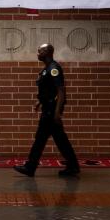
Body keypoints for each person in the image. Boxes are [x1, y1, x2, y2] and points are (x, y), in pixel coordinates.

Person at [14, 44, 81, 178]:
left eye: (40, 51)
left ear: (47, 52)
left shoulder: (54, 69)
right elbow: (48, 91)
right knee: (59, 139)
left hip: (51, 111)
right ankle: (73, 166)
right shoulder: (46, 69)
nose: (37, 53)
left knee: (40, 139)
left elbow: (61, 91)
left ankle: (30, 167)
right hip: (48, 109)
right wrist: (39, 101)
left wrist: (57, 112)